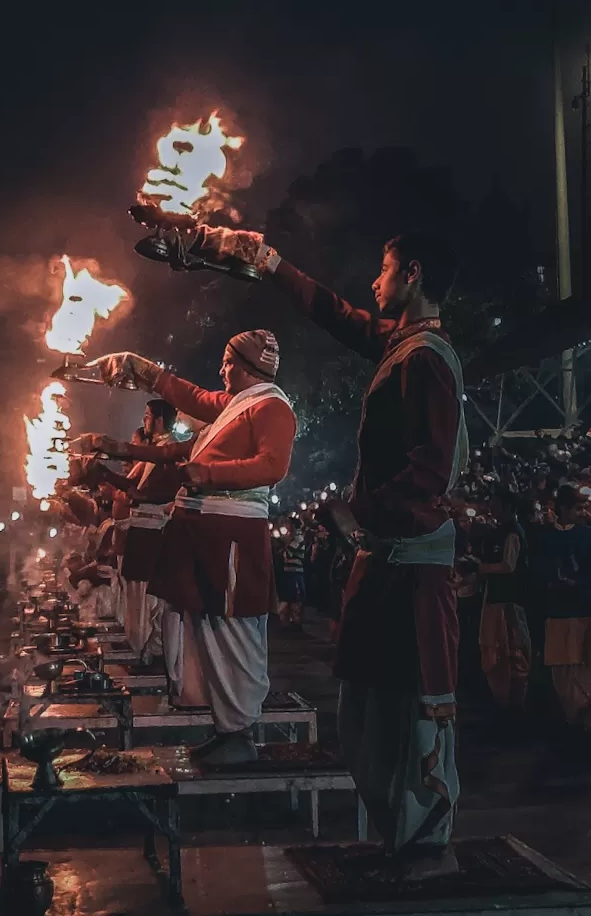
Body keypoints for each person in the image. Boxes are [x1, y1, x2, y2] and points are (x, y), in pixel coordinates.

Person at [200, 227, 467, 878]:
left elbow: (430, 471)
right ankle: (393, 838)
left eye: (383, 269)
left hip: (410, 566)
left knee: (410, 707)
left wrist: (355, 514)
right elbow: (333, 313)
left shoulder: (425, 356)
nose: (374, 283)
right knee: (363, 707)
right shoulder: (397, 345)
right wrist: (267, 263)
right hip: (380, 561)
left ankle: (427, 846)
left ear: (414, 272)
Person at [81, 330, 296, 764]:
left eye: (228, 362)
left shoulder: (271, 406)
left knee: (231, 631)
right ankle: (225, 725)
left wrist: (208, 475)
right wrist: (143, 369)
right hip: (204, 534)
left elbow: (274, 466)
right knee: (207, 630)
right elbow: (192, 396)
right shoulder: (233, 408)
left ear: (251, 366)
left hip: (231, 537)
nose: (221, 370)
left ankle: (240, 730)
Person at [85, 399, 181, 661]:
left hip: (152, 536)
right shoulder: (156, 450)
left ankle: (147, 654)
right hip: (140, 535)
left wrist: (104, 474)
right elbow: (132, 485)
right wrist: (100, 472)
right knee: (135, 600)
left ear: (159, 420)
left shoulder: (169, 450)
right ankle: (140, 650)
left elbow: (141, 494)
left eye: (148, 416)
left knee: (146, 603)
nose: (144, 421)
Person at [473, 489, 530, 707]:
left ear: (507, 507)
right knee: (494, 648)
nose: (491, 507)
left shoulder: (512, 532)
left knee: (511, 649)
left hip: (508, 600)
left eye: (495, 502)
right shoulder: (498, 531)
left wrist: (481, 568)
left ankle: (513, 700)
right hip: (495, 597)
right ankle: (500, 696)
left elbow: (508, 565)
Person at [540, 485, 591, 729]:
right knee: (560, 665)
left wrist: (577, 583)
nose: (582, 512)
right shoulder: (545, 536)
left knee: (583, 662)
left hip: (582, 609)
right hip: (557, 610)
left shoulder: (586, 535)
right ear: (563, 508)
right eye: (578, 508)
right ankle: (571, 716)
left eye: (584, 507)